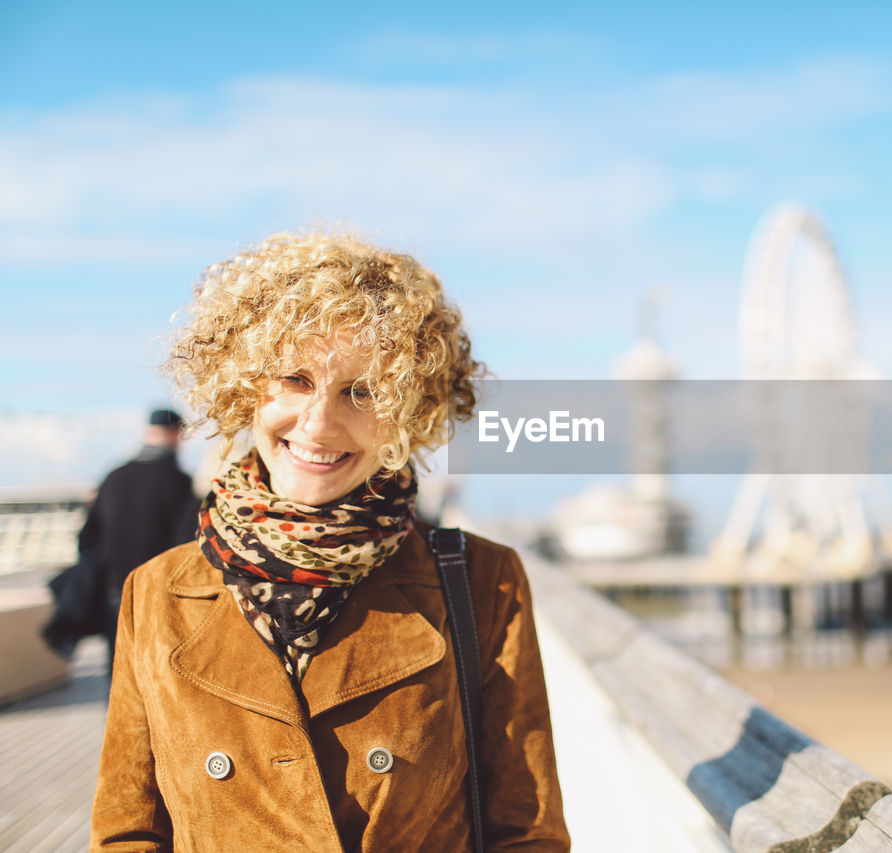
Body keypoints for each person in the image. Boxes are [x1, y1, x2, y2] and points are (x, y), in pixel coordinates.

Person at [90, 232, 570, 851]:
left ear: (409, 409)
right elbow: (128, 829)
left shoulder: (482, 579)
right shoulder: (155, 593)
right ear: (242, 386)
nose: (318, 424)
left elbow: (526, 831)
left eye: (361, 391)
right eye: (294, 378)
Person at [75, 408, 196, 663]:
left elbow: (87, 539)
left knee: (119, 675)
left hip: (115, 595)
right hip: (162, 598)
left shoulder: (113, 478)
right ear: (177, 434)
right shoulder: (180, 482)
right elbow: (189, 545)